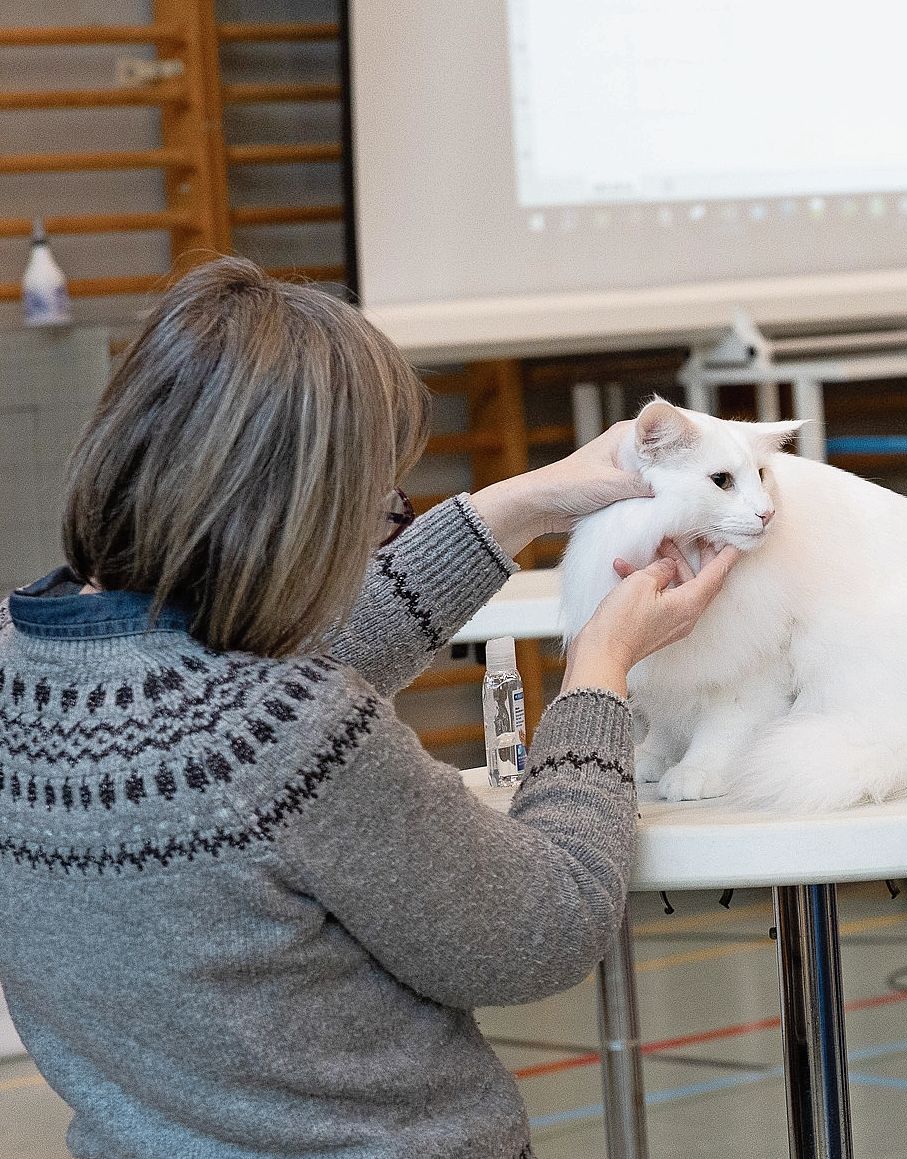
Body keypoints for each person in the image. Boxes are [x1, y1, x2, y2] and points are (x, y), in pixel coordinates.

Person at [0, 257, 738, 1159]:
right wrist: (599, 669)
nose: (380, 530)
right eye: (381, 507)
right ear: (296, 516)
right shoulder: (286, 732)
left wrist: (526, 502)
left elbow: (235, 670)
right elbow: (546, 923)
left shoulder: (23, 663)